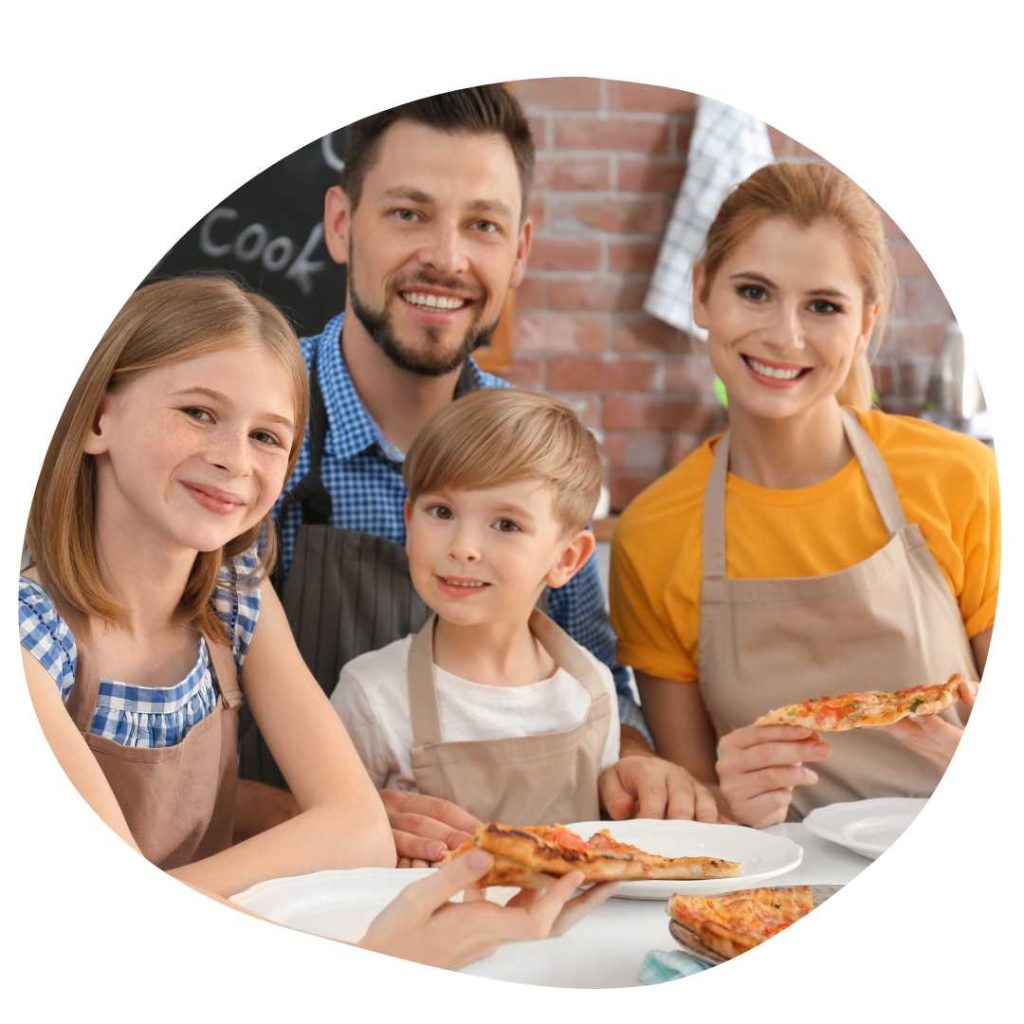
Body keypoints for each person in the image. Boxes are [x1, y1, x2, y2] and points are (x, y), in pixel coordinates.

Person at [19, 274, 615, 968]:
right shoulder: (30, 639)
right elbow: (100, 929)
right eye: (198, 413)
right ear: (97, 420)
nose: (233, 458)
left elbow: (358, 828)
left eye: (268, 436)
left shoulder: (236, 596)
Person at [239, 83, 719, 853]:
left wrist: (637, 762)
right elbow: (156, 733)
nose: (447, 258)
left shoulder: (534, 455)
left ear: (519, 250)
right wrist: (327, 817)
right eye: (409, 214)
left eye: (483, 225)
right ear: (340, 224)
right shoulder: (248, 431)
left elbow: (592, 679)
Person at [609, 162, 997, 828]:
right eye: (754, 292)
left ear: (865, 324)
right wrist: (730, 803)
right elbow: (698, 818)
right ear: (701, 295)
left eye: (824, 306)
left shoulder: (961, 479)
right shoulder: (653, 533)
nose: (785, 336)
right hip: (773, 893)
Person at [334, 390, 620, 849]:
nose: (463, 546)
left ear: (567, 558)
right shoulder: (372, 694)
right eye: (442, 512)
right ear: (408, 522)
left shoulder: (591, 692)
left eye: (506, 524)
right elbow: (333, 847)